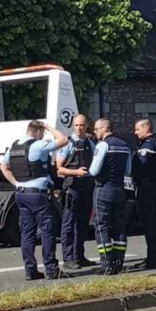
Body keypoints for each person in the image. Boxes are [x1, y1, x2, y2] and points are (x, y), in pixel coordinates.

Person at [0, 120, 68, 281]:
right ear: (38, 132)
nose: (43, 135)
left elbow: (3, 167)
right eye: (42, 133)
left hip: (21, 194)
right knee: (47, 231)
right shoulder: (38, 145)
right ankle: (51, 269)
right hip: (38, 195)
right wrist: (49, 127)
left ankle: (30, 270)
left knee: (27, 233)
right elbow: (63, 139)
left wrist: (16, 183)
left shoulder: (14, 146)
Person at [89, 118, 132, 275]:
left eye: (96, 129)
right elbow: (128, 170)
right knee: (119, 226)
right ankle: (119, 262)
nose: (95, 132)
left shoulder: (103, 145)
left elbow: (94, 171)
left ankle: (107, 264)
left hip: (103, 188)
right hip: (120, 189)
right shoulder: (124, 145)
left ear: (104, 128)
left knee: (102, 226)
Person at [56, 114, 97, 270]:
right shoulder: (67, 143)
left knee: (82, 224)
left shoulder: (91, 144)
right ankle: (68, 258)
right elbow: (59, 169)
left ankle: (79, 255)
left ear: (87, 126)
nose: (79, 128)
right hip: (72, 187)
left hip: (87, 187)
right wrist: (76, 172)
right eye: (76, 125)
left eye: (82, 125)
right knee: (69, 223)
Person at [131, 119, 156, 269]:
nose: (135, 133)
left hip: (145, 187)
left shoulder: (147, 146)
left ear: (146, 128)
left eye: (137, 129)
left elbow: (141, 167)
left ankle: (153, 259)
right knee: (154, 224)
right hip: (153, 186)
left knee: (149, 225)